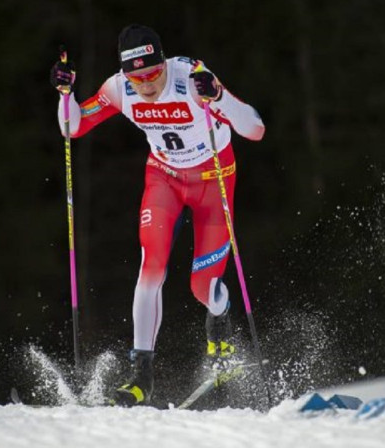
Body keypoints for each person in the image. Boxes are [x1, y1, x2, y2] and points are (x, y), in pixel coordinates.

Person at [50, 24, 265, 406]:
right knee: (151, 265)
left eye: (153, 73)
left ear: (165, 63)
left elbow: (254, 128)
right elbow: (73, 127)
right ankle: (142, 376)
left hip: (213, 179)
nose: (146, 85)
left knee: (204, 288)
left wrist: (218, 98)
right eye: (137, 77)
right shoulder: (118, 89)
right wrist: (65, 95)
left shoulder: (193, 77)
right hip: (164, 177)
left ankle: (220, 326)